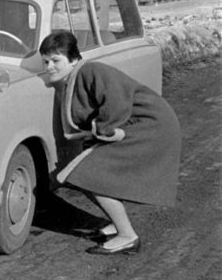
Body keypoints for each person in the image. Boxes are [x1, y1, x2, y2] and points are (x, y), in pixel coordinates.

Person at [39, 31, 182, 255]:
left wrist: (105, 131)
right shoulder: (72, 78)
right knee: (85, 174)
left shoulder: (91, 70)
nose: (49, 67)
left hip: (149, 125)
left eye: (55, 60)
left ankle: (127, 237)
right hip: (131, 125)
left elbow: (116, 99)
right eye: (45, 62)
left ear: (73, 59)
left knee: (87, 174)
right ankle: (117, 225)